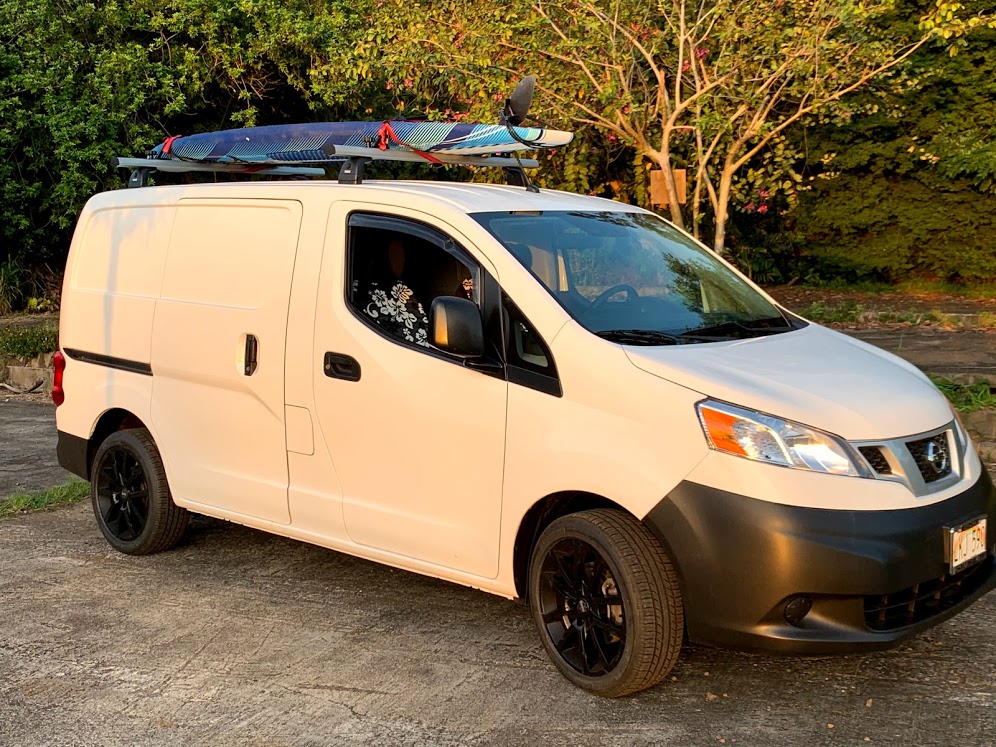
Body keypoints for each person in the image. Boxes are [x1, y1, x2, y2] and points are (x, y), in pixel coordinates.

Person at [359, 239, 430, 347]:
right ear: (383, 257)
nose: (403, 260)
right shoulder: (400, 292)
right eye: (398, 255)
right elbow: (420, 336)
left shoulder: (353, 289)